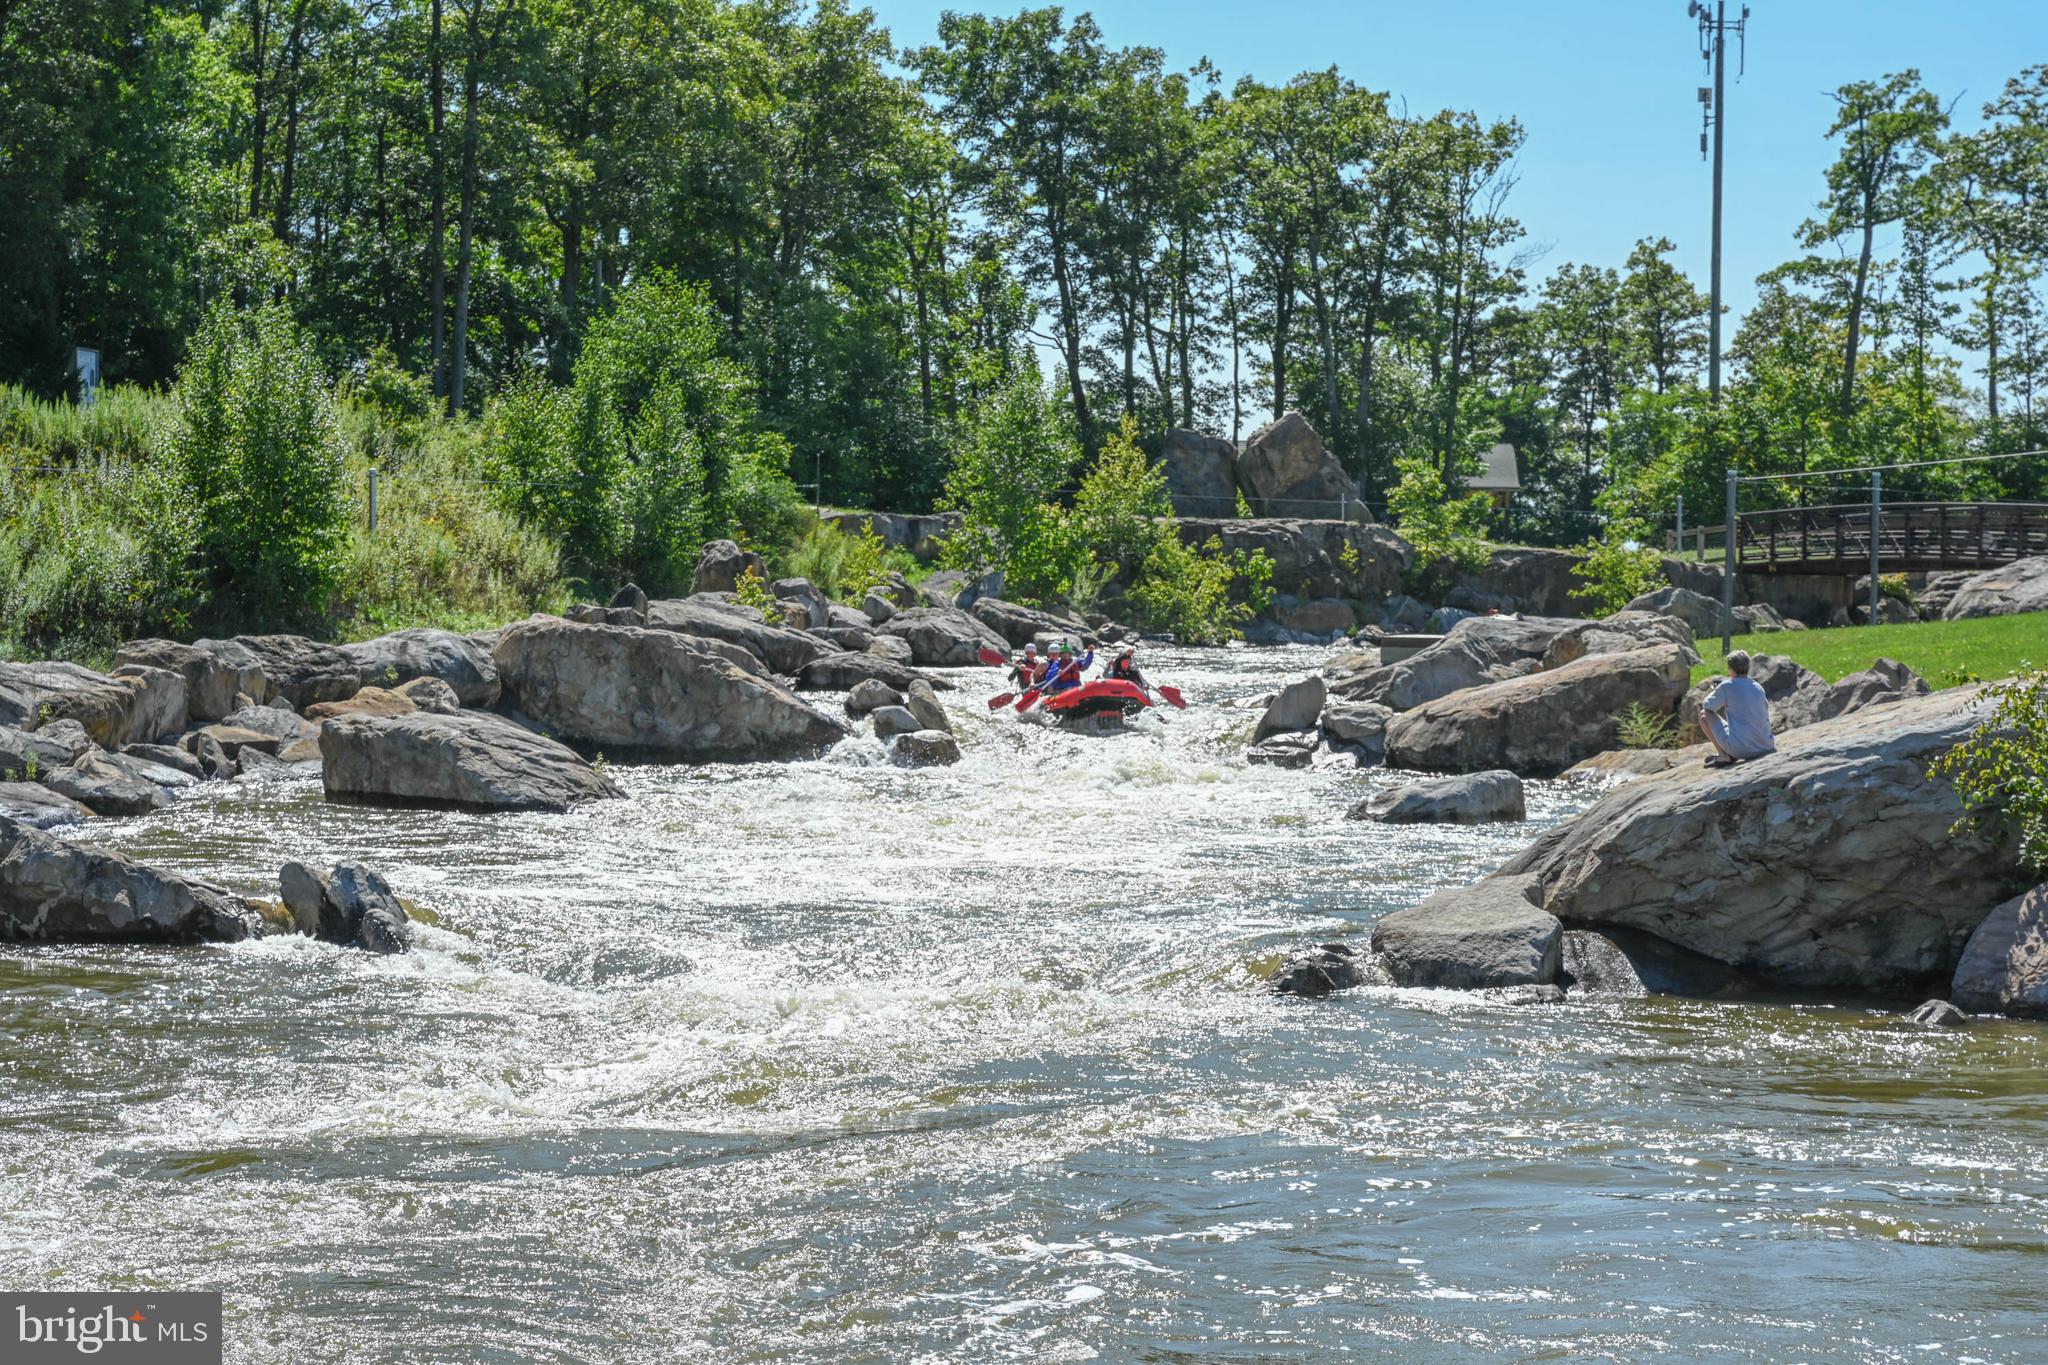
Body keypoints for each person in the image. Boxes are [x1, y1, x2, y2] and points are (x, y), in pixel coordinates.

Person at [1698, 649, 1776, 768]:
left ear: (1731, 669)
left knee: (1704, 714)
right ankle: (1729, 752)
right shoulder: (1757, 687)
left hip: (1742, 750)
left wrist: (1717, 691)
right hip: (1766, 745)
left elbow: (1707, 706)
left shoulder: (1726, 686)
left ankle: (1724, 755)